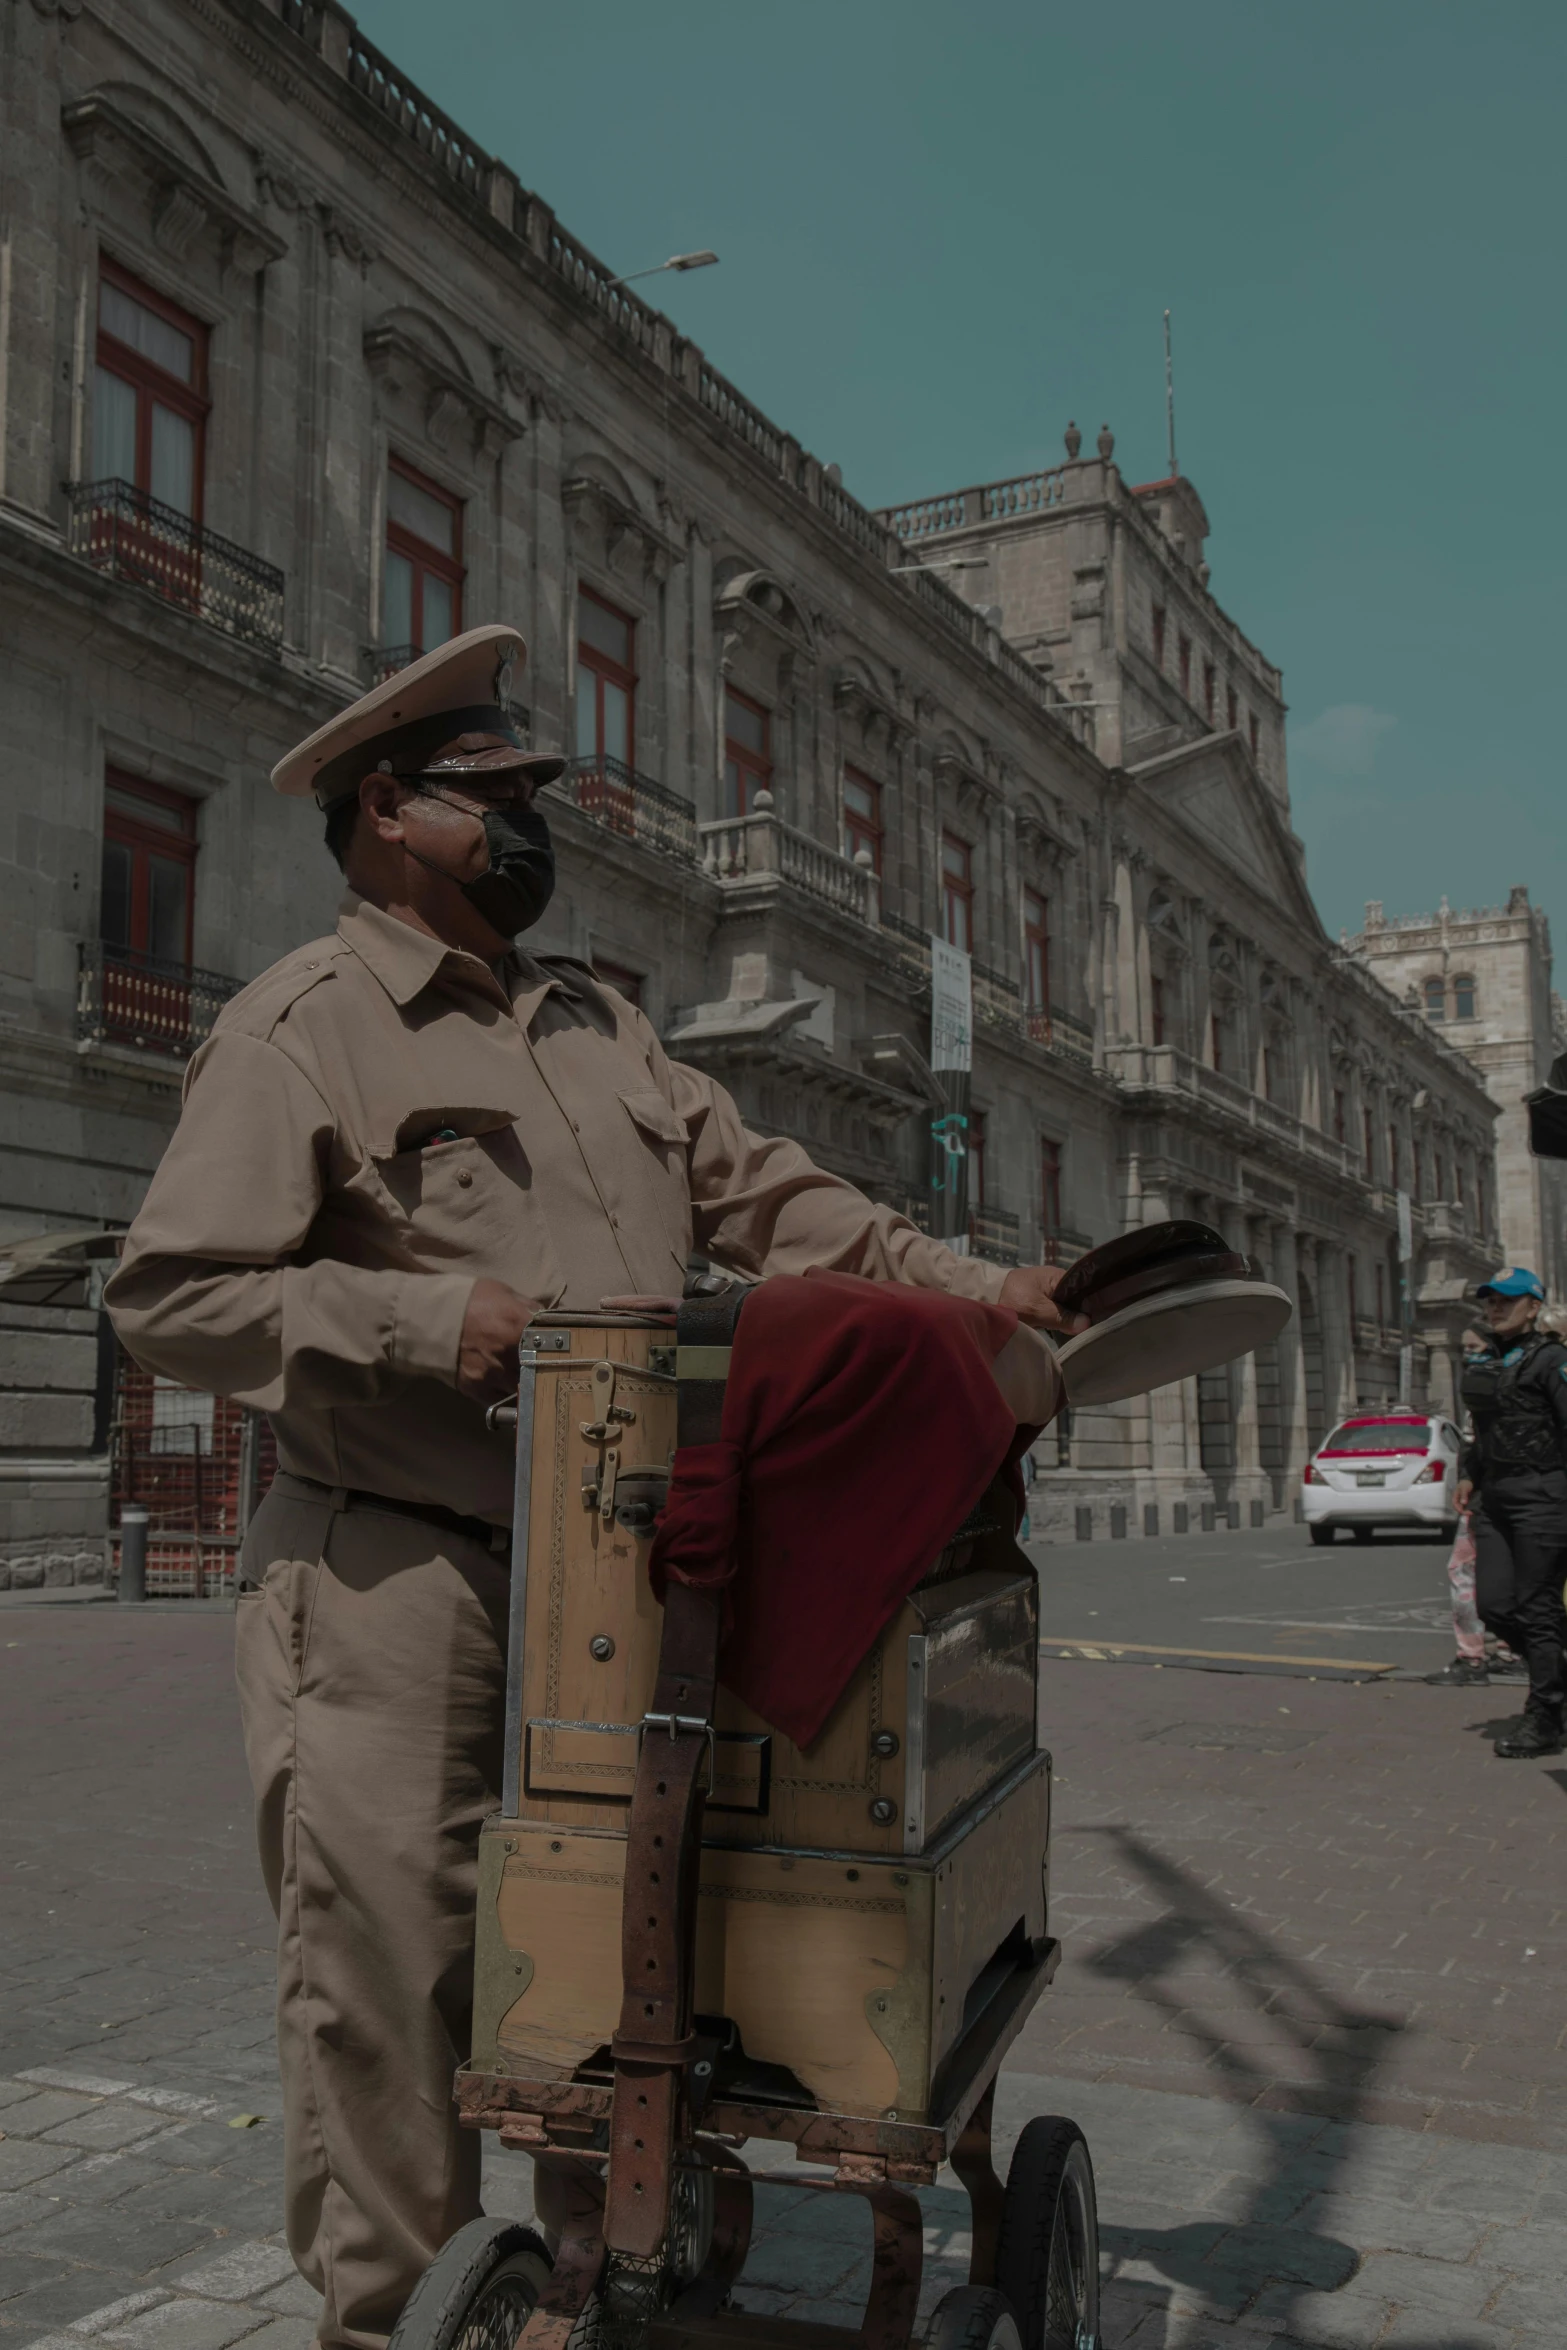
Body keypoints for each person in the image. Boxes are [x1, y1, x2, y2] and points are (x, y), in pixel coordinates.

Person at [104, 625, 1082, 2350]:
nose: (535, 824)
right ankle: (398, 2322)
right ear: (390, 811)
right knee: (391, 1997)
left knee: (617, 1960)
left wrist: (958, 1281)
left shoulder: (602, 1030)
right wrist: (423, 1318)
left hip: (615, 1592)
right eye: (499, 798)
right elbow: (171, 1294)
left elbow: (777, 1196)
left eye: (536, 793)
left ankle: (599, 2282)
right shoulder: (303, 1029)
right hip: (392, 1587)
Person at [1454, 1269, 1567, 1757]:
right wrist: (1468, 1472)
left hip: (1543, 1493)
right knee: (1494, 1605)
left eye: (1509, 1300)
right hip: (1495, 1497)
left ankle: (1545, 1716)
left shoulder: (1552, 1360)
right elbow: (1482, 1429)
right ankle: (1555, 1675)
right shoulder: (1486, 1361)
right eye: (1492, 1301)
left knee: (1538, 1609)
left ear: (1534, 1307)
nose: (1496, 1308)